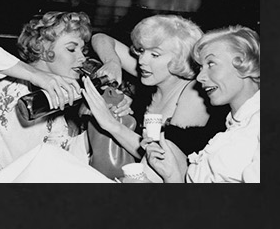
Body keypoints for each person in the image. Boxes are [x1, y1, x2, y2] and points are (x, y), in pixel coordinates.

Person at [0, 10, 93, 182]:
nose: (82, 58)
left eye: (83, 50)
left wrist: (103, 123)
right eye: (71, 49)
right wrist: (34, 74)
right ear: (43, 48)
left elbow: (57, 161)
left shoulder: (56, 110)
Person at [83, 15, 226, 174]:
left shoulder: (194, 93)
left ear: (181, 59)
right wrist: (113, 62)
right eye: (142, 51)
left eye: (155, 55)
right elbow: (100, 38)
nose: (141, 60)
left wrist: (111, 124)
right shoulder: (152, 74)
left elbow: (163, 161)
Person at [144, 26, 261, 183]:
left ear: (246, 64)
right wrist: (172, 175)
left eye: (211, 64)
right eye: (200, 67)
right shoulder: (235, 126)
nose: (199, 77)